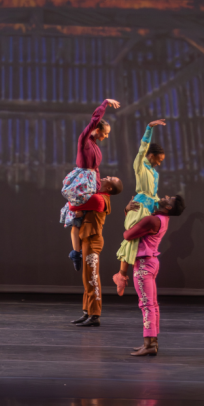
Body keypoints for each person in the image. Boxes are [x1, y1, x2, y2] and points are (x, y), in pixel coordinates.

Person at [120, 194, 186, 356]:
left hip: (143, 264)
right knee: (152, 304)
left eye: (169, 198)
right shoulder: (159, 219)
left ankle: (149, 343)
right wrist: (128, 211)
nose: (165, 196)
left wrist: (129, 213)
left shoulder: (152, 220)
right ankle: (152, 342)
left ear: (169, 207)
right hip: (150, 262)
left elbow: (127, 235)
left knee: (146, 304)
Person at [60, 98, 120, 271]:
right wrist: (104, 104)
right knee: (75, 217)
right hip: (81, 183)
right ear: (96, 130)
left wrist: (100, 186)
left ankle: (79, 251)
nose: (106, 136)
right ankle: (76, 253)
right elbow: (94, 119)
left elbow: (96, 169)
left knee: (84, 216)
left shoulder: (95, 146)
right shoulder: (84, 142)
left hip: (91, 183)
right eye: (105, 132)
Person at [113, 119, 167, 295]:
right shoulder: (140, 165)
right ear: (151, 156)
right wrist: (149, 128)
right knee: (131, 238)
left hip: (148, 208)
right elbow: (143, 147)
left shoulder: (154, 173)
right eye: (158, 159)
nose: (159, 163)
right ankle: (121, 275)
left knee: (138, 242)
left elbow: (155, 195)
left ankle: (121, 275)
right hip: (139, 206)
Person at [70, 176, 123, 328]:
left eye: (110, 178)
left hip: (93, 241)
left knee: (92, 278)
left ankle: (95, 315)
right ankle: (87, 312)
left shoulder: (99, 199)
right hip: (88, 240)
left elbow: (73, 205)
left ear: (109, 188)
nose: (105, 177)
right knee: (87, 278)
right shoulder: (98, 197)